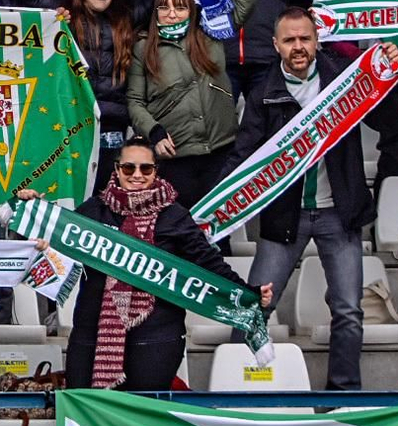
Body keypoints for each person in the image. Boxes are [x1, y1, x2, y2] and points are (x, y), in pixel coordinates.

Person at [225, 17, 398, 390]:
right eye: (289, 40)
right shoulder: (263, 91)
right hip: (284, 217)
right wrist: (216, 201)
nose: (298, 46)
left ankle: (343, 398)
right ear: (275, 45)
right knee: (252, 310)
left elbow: (391, 122)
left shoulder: (346, 79)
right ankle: (235, 390)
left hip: (339, 214)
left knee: (349, 311)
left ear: (317, 40)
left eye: (305, 38)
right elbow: (244, 154)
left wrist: (389, 77)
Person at [21, 140, 271, 391]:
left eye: (146, 169)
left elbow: (208, 262)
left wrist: (248, 291)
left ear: (156, 171)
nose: (137, 175)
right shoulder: (93, 211)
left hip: (156, 338)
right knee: (86, 407)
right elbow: (58, 245)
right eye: (129, 168)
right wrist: (32, 209)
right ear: (117, 169)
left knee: (142, 408)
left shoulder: (174, 216)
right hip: (92, 333)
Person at [127, 0, 242, 207]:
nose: (172, 14)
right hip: (176, 156)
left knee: (220, 224)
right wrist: (155, 132)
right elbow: (134, 101)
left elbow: (245, 2)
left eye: (180, 7)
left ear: (191, 10)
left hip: (220, 150)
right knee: (182, 223)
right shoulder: (143, 47)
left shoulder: (210, 34)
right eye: (164, 7)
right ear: (155, 11)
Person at [65, 0, 137, 176]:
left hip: (112, 126)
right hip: (74, 124)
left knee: (109, 186)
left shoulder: (123, 22)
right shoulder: (66, 20)